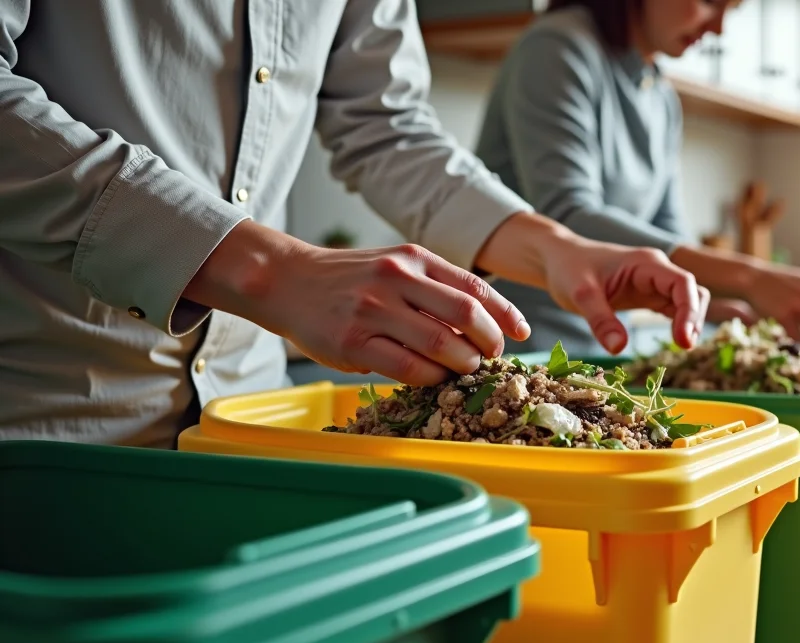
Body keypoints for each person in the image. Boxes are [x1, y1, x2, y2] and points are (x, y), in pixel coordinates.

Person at [0, 0, 709, 448]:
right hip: (45, 414)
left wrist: (553, 247)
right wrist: (268, 270)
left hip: (248, 418)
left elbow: (387, 126)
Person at [475, 0, 800, 355]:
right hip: (518, 345)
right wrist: (751, 277)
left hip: (605, 349)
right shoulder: (556, 47)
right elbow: (568, 215)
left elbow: (668, 231)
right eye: (709, 2)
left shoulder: (661, 96)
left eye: (730, 10)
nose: (718, 27)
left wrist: (715, 302)